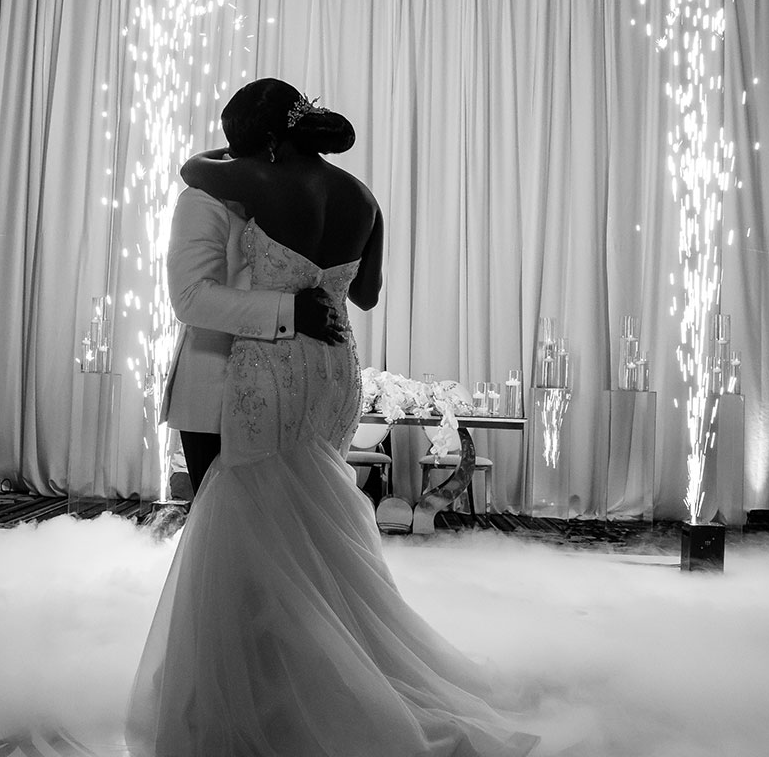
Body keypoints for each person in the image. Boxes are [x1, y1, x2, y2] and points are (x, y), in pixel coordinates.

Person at [127, 79, 537, 757]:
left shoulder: (238, 186)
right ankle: (286, 678)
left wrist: (285, 299)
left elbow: (195, 292)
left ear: (257, 138)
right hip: (330, 366)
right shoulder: (357, 195)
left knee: (241, 545)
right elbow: (364, 292)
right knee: (297, 534)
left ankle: (270, 696)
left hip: (262, 379)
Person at [162, 126, 348, 505]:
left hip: (292, 390)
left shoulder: (295, 196)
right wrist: (291, 312)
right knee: (226, 536)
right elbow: (190, 298)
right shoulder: (204, 200)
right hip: (218, 389)